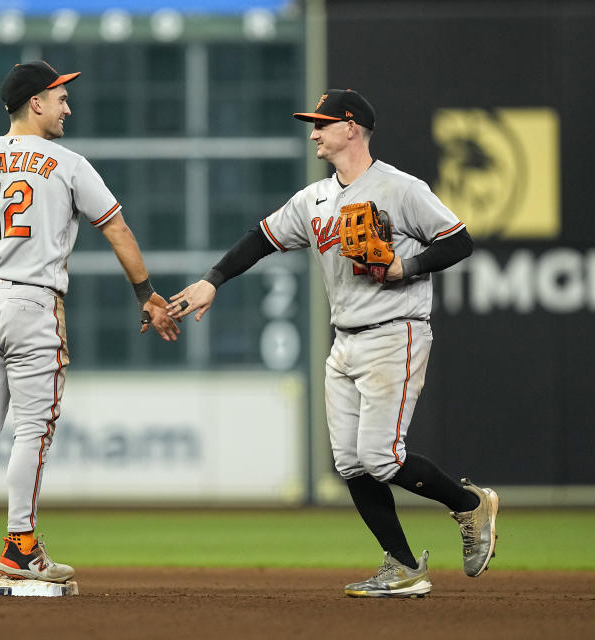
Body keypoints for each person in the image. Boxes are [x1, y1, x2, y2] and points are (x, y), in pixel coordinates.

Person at [167, 89, 499, 598]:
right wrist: (213, 279)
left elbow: (459, 240)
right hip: (343, 340)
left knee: (381, 456)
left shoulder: (400, 188)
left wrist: (404, 265)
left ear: (351, 127)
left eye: (321, 124)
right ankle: (403, 567)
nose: (313, 133)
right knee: (349, 462)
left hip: (396, 330)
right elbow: (261, 238)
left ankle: (470, 505)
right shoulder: (314, 199)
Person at [0, 60, 179, 583]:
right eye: (60, 97)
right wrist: (147, 295)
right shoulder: (67, 164)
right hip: (33, 306)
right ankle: (20, 547)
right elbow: (119, 231)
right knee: (32, 429)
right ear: (35, 103)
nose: (68, 106)